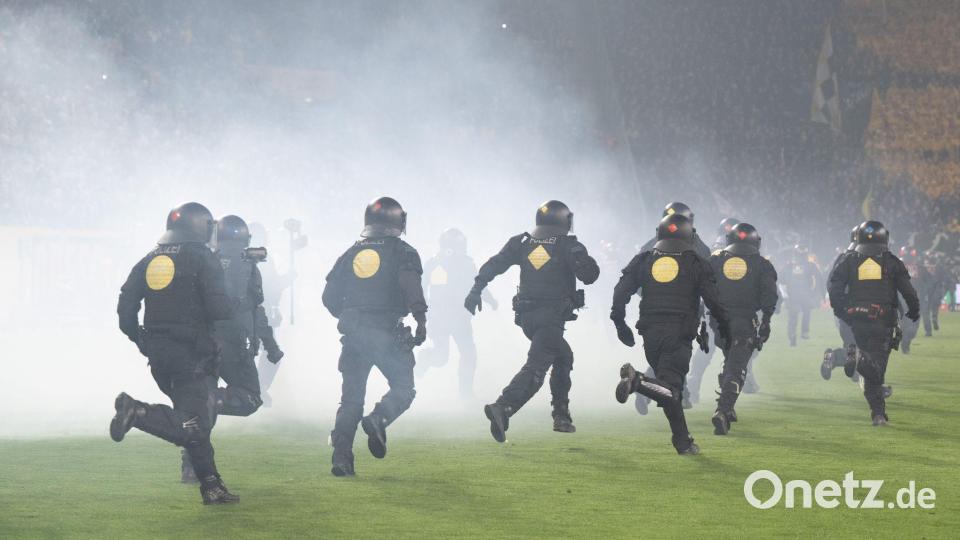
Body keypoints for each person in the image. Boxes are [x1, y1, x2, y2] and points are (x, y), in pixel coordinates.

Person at [111, 202, 239, 504]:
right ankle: (138, 412)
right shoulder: (203, 257)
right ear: (202, 227)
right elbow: (219, 309)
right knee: (196, 423)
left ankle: (211, 485)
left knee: (191, 417)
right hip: (193, 355)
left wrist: (141, 339)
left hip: (158, 357)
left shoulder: (150, 259)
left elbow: (125, 308)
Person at [466, 200, 599, 441]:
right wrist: (580, 255)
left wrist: (476, 288)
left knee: (563, 356)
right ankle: (504, 407)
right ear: (565, 221)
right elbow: (590, 276)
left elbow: (495, 264)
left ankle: (561, 416)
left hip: (527, 318)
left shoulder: (523, 242)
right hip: (551, 318)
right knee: (537, 367)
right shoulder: (567, 245)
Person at [322, 197, 427, 476]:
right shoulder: (404, 252)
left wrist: (351, 316)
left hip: (354, 335)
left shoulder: (351, 253)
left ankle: (341, 459)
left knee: (351, 400)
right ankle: (379, 419)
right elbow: (410, 285)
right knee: (404, 388)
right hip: (387, 332)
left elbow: (329, 297)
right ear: (400, 222)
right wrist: (420, 317)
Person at [612, 213, 731, 454]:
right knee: (671, 389)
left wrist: (620, 323)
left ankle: (683, 441)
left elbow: (620, 292)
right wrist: (724, 327)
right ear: (690, 235)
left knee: (667, 390)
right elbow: (714, 301)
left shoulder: (644, 259)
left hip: (650, 333)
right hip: (679, 333)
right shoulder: (696, 262)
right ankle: (639, 382)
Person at [179, 215, 285, 483]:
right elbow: (255, 308)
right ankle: (207, 400)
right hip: (234, 344)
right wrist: (270, 344)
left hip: (202, 344)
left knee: (206, 407)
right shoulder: (248, 264)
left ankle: (192, 464)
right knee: (249, 398)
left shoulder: (204, 259)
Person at [828, 221, 919, 426]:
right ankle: (853, 359)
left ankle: (878, 414)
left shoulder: (848, 260)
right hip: (882, 321)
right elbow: (908, 291)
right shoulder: (892, 262)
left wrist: (842, 311)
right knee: (876, 371)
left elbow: (834, 287)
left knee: (872, 370)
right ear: (884, 238)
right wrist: (914, 310)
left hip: (857, 322)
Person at [635, 202, 712, 413]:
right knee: (675, 353)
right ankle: (653, 388)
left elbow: (637, 281)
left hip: (653, 312)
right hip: (684, 312)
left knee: (665, 353)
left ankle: (677, 393)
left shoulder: (649, 245)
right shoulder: (697, 246)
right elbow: (709, 277)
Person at [706, 223, 778, 434]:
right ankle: (723, 409)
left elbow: (703, 288)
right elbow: (769, 296)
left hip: (718, 323)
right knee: (737, 368)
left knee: (730, 361)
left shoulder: (716, 260)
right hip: (744, 322)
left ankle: (728, 407)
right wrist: (766, 322)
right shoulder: (762, 264)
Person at [417, 228, 497, 400]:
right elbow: (422, 288)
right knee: (441, 357)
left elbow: (477, 284)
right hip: (441, 319)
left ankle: (466, 394)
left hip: (459, 318)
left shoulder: (463, 264)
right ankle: (423, 360)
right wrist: (425, 310)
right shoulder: (436, 263)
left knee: (468, 355)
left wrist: (491, 300)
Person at [248, 222, 292, 406]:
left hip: (248, 311)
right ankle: (257, 389)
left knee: (255, 351)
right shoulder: (261, 258)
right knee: (270, 352)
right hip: (260, 313)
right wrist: (288, 279)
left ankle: (255, 389)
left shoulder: (242, 256)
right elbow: (271, 288)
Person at [821, 227, 862, 379]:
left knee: (852, 345)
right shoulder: (872, 261)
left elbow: (830, 284)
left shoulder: (843, 258)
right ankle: (855, 371)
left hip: (845, 310)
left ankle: (843, 364)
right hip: (857, 309)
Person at [779, 244, 821, 346]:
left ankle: (792, 335)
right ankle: (804, 332)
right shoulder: (810, 265)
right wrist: (815, 293)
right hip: (805, 294)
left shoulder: (789, 266)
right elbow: (818, 279)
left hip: (792, 295)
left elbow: (781, 282)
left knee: (793, 316)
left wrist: (785, 296)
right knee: (806, 313)